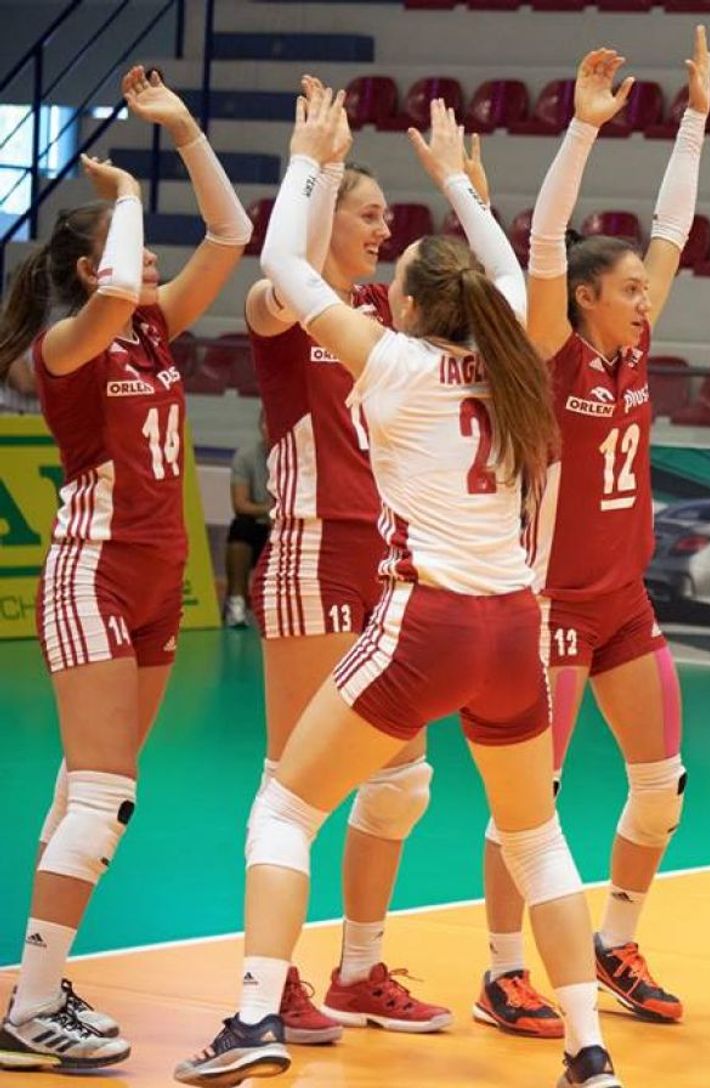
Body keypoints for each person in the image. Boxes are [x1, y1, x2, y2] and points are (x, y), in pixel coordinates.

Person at [176, 93, 621, 1088]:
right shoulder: (515, 365)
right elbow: (512, 272)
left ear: (411, 305)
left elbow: (283, 264)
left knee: (283, 809)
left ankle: (253, 1015)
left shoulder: (392, 362)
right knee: (537, 837)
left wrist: (306, 158)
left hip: (428, 619)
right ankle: (588, 1048)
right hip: (516, 626)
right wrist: (458, 183)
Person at [0, 66, 251, 1071]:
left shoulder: (149, 328)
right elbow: (110, 291)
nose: (151, 261)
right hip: (93, 575)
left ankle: (37, 985)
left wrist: (184, 130)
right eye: (133, 247)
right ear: (93, 262)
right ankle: (31, 1007)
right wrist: (130, 195)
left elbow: (230, 234)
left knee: (90, 789)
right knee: (103, 793)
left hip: (155, 583)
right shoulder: (70, 344)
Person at [476, 32, 710, 1034]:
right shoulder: (555, 355)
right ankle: (501, 969)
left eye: (644, 291)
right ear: (584, 298)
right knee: (531, 802)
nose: (645, 297)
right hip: (549, 607)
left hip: (623, 600)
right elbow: (547, 238)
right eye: (628, 289)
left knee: (662, 789)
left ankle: (617, 940)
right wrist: (582, 128)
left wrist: (696, 119)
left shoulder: (635, 350)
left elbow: (673, 229)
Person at [241, 75, 456, 1040]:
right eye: (370, 214)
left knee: (402, 779)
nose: (384, 227)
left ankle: (361, 970)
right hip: (310, 552)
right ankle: (269, 981)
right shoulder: (282, 306)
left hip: (391, 563)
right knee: (293, 785)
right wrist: (319, 169)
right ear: (329, 217)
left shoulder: (379, 309)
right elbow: (282, 277)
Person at [225, 410, 272, 629]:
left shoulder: (300, 457)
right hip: (260, 523)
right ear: (260, 426)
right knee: (240, 528)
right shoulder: (246, 457)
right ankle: (237, 601)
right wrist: (270, 511)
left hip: (288, 525)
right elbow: (240, 504)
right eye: (265, 423)